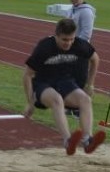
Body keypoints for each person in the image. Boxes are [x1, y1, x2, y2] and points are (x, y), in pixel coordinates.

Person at [23, 17, 104, 155]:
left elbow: (95, 59)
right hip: (43, 83)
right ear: (56, 36)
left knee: (85, 100)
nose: (69, 43)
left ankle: (87, 141)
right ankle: (68, 141)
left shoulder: (80, 45)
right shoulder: (44, 47)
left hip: (65, 82)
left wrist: (90, 84)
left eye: (71, 39)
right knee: (57, 100)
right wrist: (30, 102)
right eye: (65, 40)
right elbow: (27, 75)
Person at [66, 0, 96, 88]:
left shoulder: (86, 12)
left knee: (78, 83)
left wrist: (71, 46)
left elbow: (86, 34)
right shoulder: (71, 10)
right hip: (69, 51)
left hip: (80, 52)